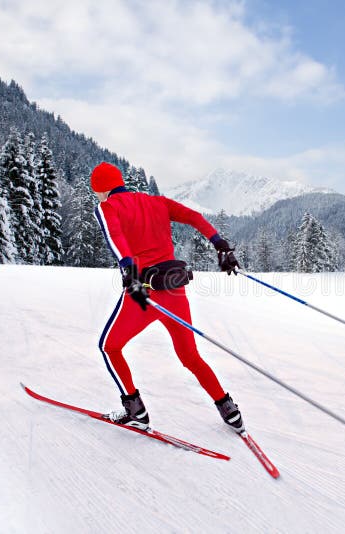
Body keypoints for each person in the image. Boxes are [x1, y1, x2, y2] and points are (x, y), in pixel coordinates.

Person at [89, 162, 243, 433]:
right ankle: (228, 408)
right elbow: (194, 217)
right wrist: (219, 243)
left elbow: (114, 236)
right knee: (190, 356)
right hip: (175, 292)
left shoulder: (107, 207)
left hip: (143, 296)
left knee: (109, 346)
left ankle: (134, 409)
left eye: (97, 192)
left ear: (101, 190)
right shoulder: (156, 202)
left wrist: (128, 267)